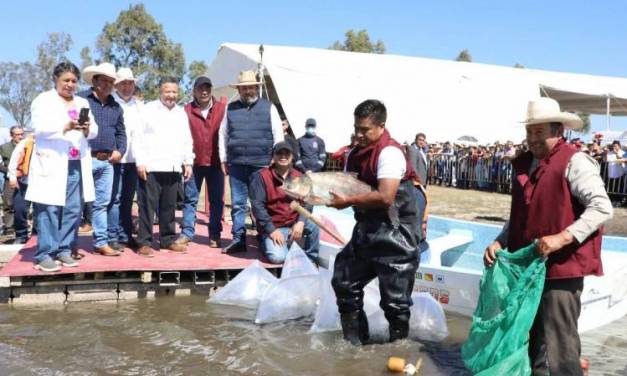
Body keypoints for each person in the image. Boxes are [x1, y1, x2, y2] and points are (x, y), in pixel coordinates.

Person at [484, 98, 613, 375]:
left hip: (561, 269)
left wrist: (563, 237)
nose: (532, 139)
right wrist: (500, 240)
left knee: (561, 345)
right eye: (530, 132)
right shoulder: (525, 163)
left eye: (539, 132)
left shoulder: (575, 161)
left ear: (559, 131)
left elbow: (602, 207)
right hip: (528, 270)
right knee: (530, 342)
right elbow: (521, 215)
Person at [328, 99, 422, 345]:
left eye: (365, 130)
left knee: (395, 302)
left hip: (396, 232)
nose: (359, 134)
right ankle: (354, 345)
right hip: (366, 230)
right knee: (344, 281)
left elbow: (386, 196)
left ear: (381, 126)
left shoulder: (390, 152)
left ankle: (399, 351)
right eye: (357, 128)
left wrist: (348, 201)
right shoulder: (354, 153)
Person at [26, 61, 99, 271]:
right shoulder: (44, 100)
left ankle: (65, 250)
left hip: (76, 162)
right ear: (55, 80)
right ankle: (44, 254)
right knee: (48, 208)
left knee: (73, 209)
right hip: (52, 161)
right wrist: (64, 127)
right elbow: (37, 128)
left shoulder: (82, 103)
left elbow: (94, 129)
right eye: (65, 80)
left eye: (73, 81)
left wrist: (86, 129)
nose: (70, 84)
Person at [218, 70, 283, 254]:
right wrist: (223, 158)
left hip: (262, 164)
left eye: (251, 87)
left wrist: (275, 160)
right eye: (244, 88)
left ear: (256, 87)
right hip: (237, 164)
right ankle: (239, 239)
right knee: (238, 204)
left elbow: (278, 134)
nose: (248, 91)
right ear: (239, 89)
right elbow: (223, 134)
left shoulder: (269, 107)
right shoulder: (230, 108)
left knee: (260, 203)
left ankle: (264, 237)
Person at [134, 77, 194, 257]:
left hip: (173, 166)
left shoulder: (180, 113)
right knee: (147, 207)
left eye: (174, 92)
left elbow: (186, 139)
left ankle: (167, 240)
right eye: (167, 91)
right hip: (151, 166)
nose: (171, 95)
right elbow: (138, 137)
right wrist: (140, 162)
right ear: (160, 91)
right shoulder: (148, 110)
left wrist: (187, 161)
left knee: (169, 207)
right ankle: (144, 242)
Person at [78, 62, 127, 256]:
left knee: (102, 203)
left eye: (110, 81)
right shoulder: (81, 99)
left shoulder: (116, 106)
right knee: (76, 202)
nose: (107, 84)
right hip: (83, 158)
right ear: (95, 80)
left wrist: (120, 151)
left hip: (107, 162)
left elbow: (121, 133)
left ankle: (100, 242)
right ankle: (69, 245)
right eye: (104, 80)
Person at [250, 141, 320, 264]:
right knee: (278, 258)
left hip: (293, 223)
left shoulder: (300, 177)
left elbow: (308, 202)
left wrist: (301, 222)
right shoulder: (261, 177)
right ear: (273, 156)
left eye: (286, 153)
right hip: (274, 225)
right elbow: (257, 207)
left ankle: (310, 260)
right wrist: (271, 230)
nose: (283, 156)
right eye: (279, 153)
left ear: (292, 156)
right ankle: (263, 240)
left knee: (314, 226)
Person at [177, 76, 227, 248]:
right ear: (194, 91)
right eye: (200, 88)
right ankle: (187, 233)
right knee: (190, 200)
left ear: (211, 90)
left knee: (216, 200)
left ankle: (215, 235)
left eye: (207, 88)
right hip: (194, 163)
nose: (204, 91)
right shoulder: (185, 110)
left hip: (216, 163)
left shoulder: (222, 109)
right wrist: (184, 160)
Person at [111, 67, 143, 248]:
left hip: (134, 159)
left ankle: (125, 235)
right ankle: (113, 236)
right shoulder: (111, 103)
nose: (127, 87)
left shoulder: (139, 105)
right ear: (116, 85)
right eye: (123, 83)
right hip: (116, 159)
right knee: (114, 199)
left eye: (130, 83)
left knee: (127, 199)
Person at [7, 132, 34, 244]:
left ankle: (37, 234)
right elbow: (14, 160)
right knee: (20, 209)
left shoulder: (52, 144)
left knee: (41, 212)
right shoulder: (25, 143)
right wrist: (12, 177)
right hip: (24, 182)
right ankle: (21, 234)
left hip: (43, 183)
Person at [0, 126, 25, 237]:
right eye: (17, 134)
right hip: (9, 179)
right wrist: (10, 172)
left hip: (25, 180)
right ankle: (9, 227)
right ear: (11, 135)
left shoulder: (27, 146)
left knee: (23, 205)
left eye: (21, 134)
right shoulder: (4, 148)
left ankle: (23, 227)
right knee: (8, 204)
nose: (20, 136)